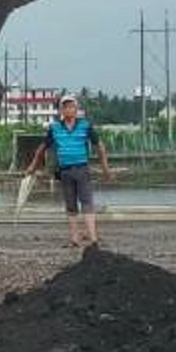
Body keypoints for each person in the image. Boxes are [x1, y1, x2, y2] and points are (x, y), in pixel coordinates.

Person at [20, 94, 115, 252]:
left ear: (76, 109)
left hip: (82, 169)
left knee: (87, 203)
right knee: (71, 206)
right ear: (61, 110)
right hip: (65, 171)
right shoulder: (55, 128)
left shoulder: (85, 126)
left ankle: (93, 240)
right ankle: (74, 239)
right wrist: (32, 166)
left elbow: (99, 146)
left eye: (71, 107)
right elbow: (43, 148)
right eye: (65, 107)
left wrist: (105, 168)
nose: (68, 109)